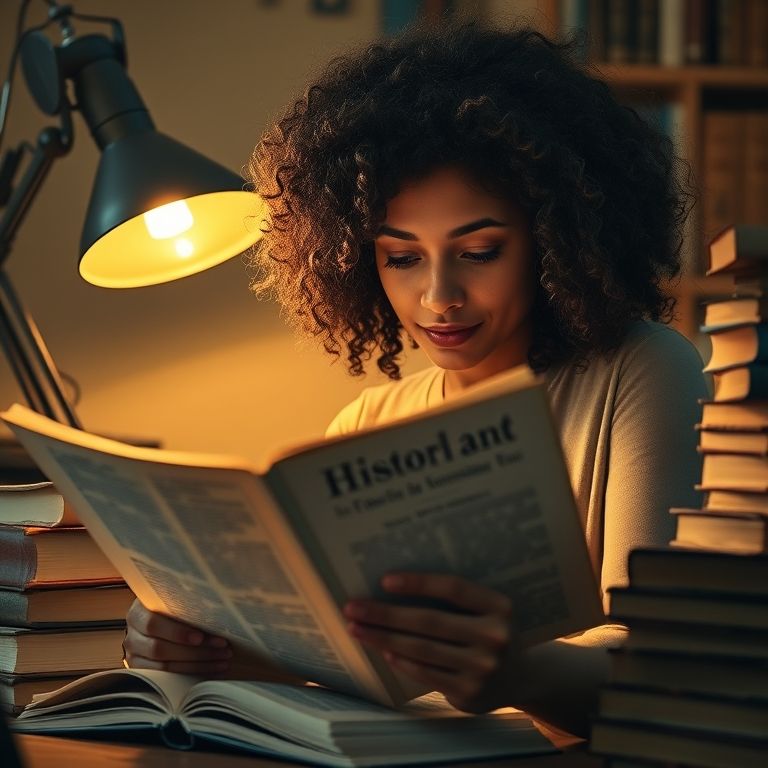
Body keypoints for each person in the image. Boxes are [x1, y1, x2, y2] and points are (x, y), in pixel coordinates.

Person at [123, 21, 707, 737]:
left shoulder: (645, 371)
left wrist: (516, 672)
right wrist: (213, 647)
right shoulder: (366, 425)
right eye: (402, 259)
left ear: (558, 238)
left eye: (480, 250)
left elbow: (670, 670)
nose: (439, 297)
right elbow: (351, 667)